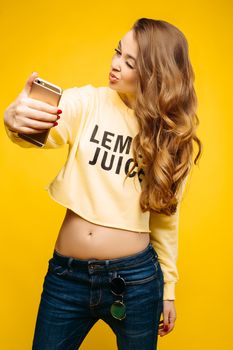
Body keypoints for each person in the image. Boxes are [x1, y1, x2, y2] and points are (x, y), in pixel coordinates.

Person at [3, 18, 202, 350]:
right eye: (117, 52)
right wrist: (16, 122)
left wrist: (168, 290)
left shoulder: (171, 139)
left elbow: (166, 221)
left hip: (137, 281)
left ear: (155, 73)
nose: (114, 64)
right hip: (67, 278)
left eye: (129, 62)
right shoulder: (88, 102)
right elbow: (44, 129)